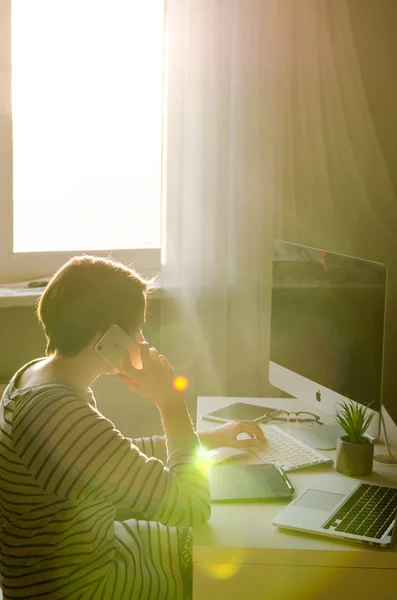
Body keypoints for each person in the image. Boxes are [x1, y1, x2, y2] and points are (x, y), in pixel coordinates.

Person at [0, 255, 266, 600]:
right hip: (77, 587)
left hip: (82, 557)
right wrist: (170, 404)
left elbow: (111, 456)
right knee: (229, 561)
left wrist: (208, 438)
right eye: (137, 328)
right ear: (107, 336)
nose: (141, 340)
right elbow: (191, 508)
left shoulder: (37, 376)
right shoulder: (59, 414)